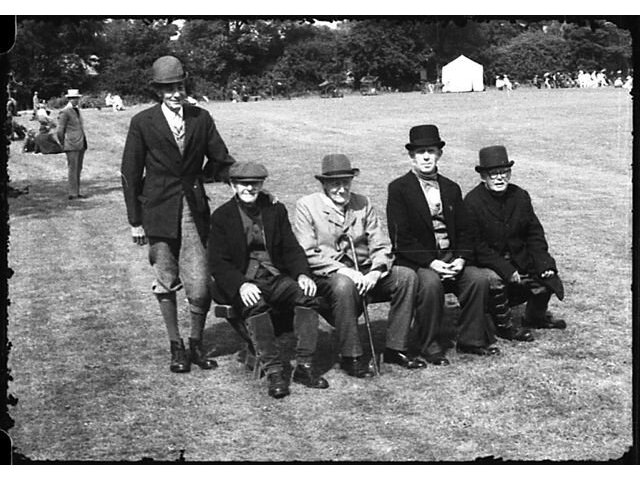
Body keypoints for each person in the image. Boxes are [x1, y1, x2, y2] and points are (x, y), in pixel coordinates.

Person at [121, 55, 235, 374]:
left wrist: (243, 180)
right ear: (158, 91)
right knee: (166, 280)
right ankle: (176, 347)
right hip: (157, 211)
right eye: (168, 88)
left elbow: (220, 160)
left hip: (193, 211)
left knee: (199, 285)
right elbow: (130, 172)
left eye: (179, 86)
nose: (175, 93)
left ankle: (196, 344)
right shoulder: (143, 122)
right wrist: (135, 221)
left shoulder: (201, 118)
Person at [294, 154, 426, 379]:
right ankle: (351, 356)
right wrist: (344, 271)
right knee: (344, 285)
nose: (342, 189)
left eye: (346, 182)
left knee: (406, 276)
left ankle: (396, 348)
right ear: (324, 184)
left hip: (365, 271)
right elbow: (307, 252)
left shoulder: (362, 203)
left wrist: (375, 272)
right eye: (335, 183)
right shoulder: (306, 206)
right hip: (329, 274)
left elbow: (381, 244)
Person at [208, 162, 329, 399]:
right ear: (233, 186)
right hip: (244, 280)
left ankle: (304, 366)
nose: (249, 188)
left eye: (255, 183)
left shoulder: (275, 210)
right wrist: (241, 284)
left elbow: (291, 248)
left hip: (274, 277)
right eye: (243, 184)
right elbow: (218, 262)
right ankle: (274, 372)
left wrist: (302, 274)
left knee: (307, 296)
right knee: (255, 304)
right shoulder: (221, 216)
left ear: (262, 184)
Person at [386, 125, 499, 358]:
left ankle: (471, 340)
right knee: (430, 284)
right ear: (411, 156)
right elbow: (401, 238)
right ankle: (429, 344)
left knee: (477, 279)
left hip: (451, 257)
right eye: (420, 152)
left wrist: (461, 259)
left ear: (439, 154)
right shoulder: (399, 189)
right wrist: (431, 263)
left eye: (431, 151)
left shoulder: (451, 188)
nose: (426, 157)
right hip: (420, 261)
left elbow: (466, 230)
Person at [464, 146, 565, 334]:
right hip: (488, 263)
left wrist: (544, 263)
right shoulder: (472, 202)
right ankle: (504, 326)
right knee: (495, 281)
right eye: (493, 174)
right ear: (483, 176)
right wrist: (506, 269)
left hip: (518, 258)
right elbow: (476, 246)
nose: (499, 178)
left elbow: (534, 234)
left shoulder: (520, 196)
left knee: (546, 275)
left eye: (504, 172)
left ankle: (535, 317)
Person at [56, 88, 88, 199]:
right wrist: (63, 143)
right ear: (69, 99)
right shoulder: (65, 112)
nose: (75, 100)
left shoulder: (77, 110)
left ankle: (77, 191)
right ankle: (72, 193)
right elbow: (60, 130)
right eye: (73, 98)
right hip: (71, 144)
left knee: (78, 168)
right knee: (73, 168)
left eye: (77, 98)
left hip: (80, 143)